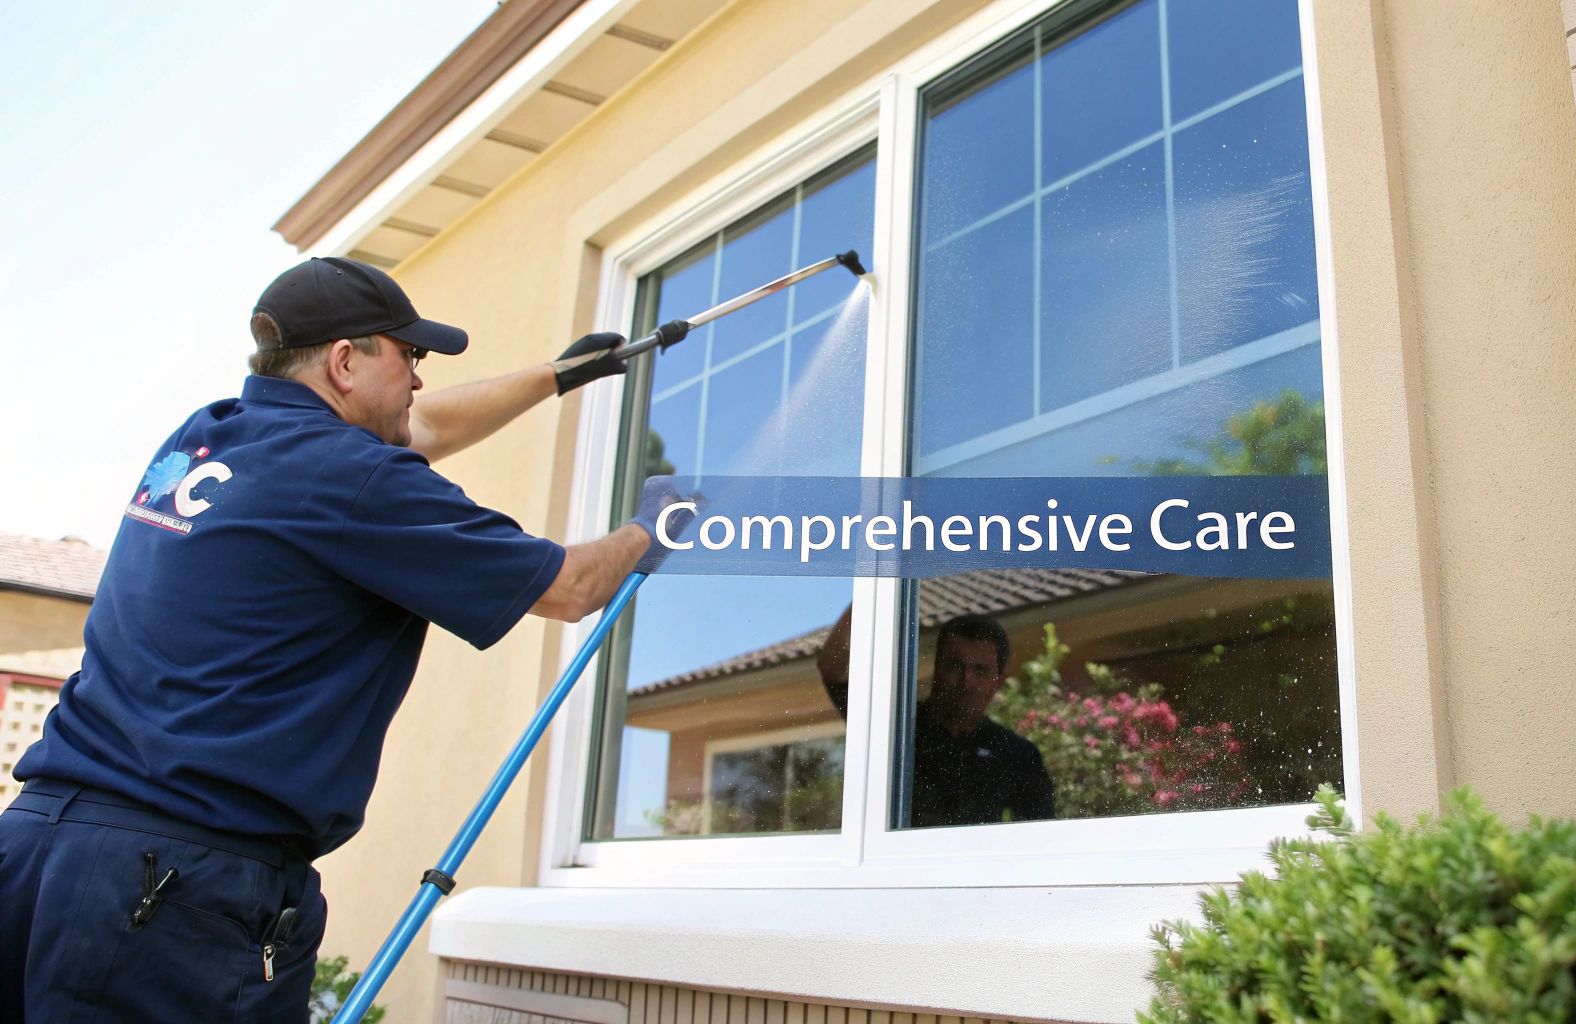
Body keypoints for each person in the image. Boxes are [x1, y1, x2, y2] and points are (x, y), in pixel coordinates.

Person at [0, 256, 687, 1024]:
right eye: (411, 355)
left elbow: (415, 427)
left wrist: (554, 377)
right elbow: (569, 588)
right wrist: (654, 523)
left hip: (34, 852)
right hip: (174, 893)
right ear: (345, 360)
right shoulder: (356, 479)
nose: (420, 379)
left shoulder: (209, 436)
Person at [817, 606, 1053, 828]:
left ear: (997, 683)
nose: (966, 681)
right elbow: (833, 668)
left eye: (980, 671)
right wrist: (880, 571)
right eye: (954, 666)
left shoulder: (1015, 754)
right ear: (937, 669)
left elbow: (1039, 840)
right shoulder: (895, 727)